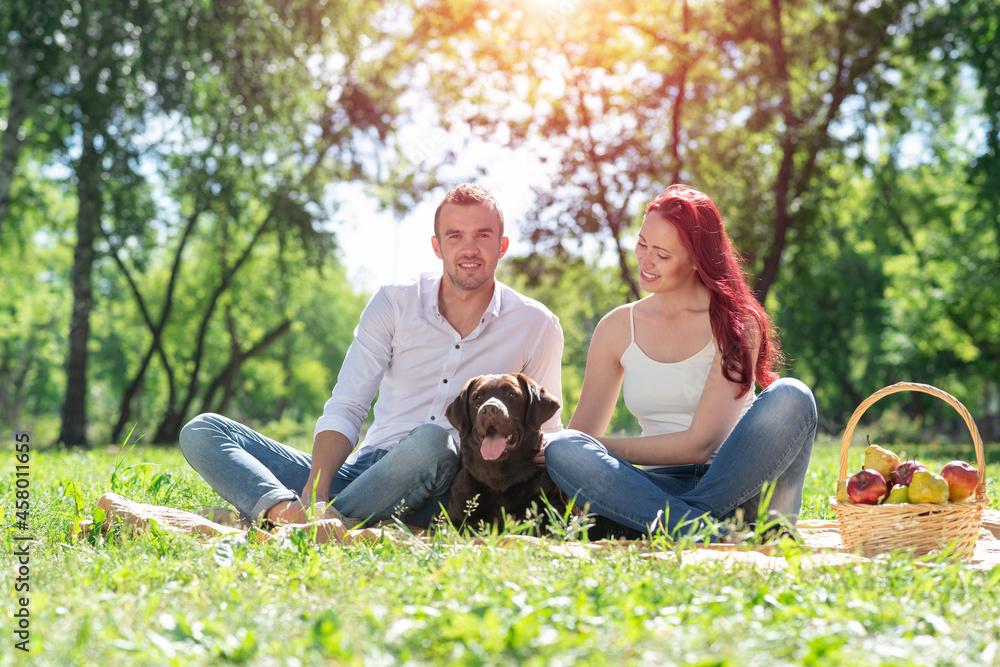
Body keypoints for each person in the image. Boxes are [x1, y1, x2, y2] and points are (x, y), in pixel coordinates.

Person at [180, 184, 564, 529]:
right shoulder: (395, 302)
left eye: (483, 235)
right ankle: (293, 516)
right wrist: (317, 489)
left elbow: (546, 433)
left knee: (433, 441)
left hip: (446, 483)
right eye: (455, 235)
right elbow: (347, 405)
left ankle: (290, 525)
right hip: (364, 472)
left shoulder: (536, 324)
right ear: (437, 246)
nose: (469, 248)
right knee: (202, 430)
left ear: (502, 245)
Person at [539, 184, 816, 540]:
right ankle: (712, 532)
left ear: (696, 259)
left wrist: (604, 447)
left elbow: (700, 444)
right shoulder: (617, 328)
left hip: (738, 485)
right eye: (642, 244)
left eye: (662, 254)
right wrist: (563, 450)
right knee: (564, 448)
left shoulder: (737, 323)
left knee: (793, 395)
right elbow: (580, 438)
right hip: (653, 489)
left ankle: (680, 525)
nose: (645, 260)